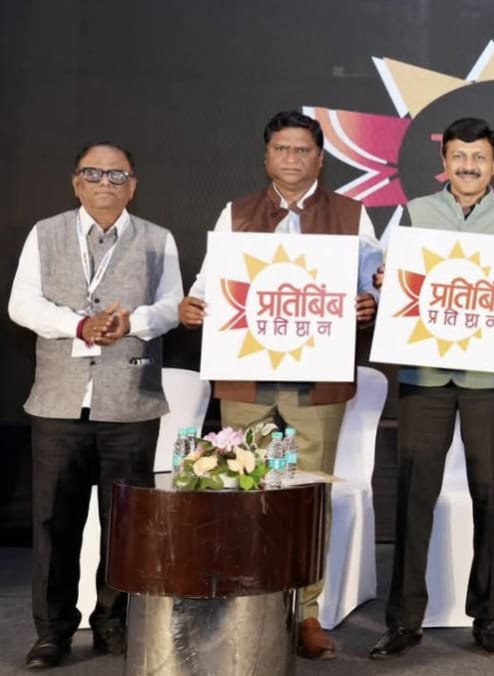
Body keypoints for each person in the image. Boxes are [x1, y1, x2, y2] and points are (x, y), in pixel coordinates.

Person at [177, 110, 382, 660]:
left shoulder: (351, 214)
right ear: (267, 156)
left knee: (309, 495)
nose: (292, 159)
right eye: (282, 149)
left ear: (320, 159)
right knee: (245, 491)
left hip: (318, 378)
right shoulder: (236, 212)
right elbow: (209, 282)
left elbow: (372, 284)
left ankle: (307, 612)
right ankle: (251, 605)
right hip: (247, 375)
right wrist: (193, 305)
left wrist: (370, 303)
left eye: (302, 150)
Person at [369, 117, 494, 660]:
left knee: (491, 495)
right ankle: (404, 621)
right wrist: (385, 283)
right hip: (424, 375)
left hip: (489, 377)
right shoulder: (413, 212)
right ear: (444, 162)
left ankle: (489, 619)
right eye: (459, 157)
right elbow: (391, 282)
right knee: (413, 496)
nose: (469, 166)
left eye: (479, 158)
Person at [10, 143, 182, 669]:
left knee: (126, 526)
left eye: (116, 175)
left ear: (133, 185)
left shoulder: (158, 239)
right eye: (93, 173)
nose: (105, 182)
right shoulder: (45, 233)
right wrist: (79, 325)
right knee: (53, 523)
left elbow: (172, 307)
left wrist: (133, 323)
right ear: (76, 182)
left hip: (130, 403)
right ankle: (53, 632)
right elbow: (22, 304)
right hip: (58, 402)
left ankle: (114, 623)